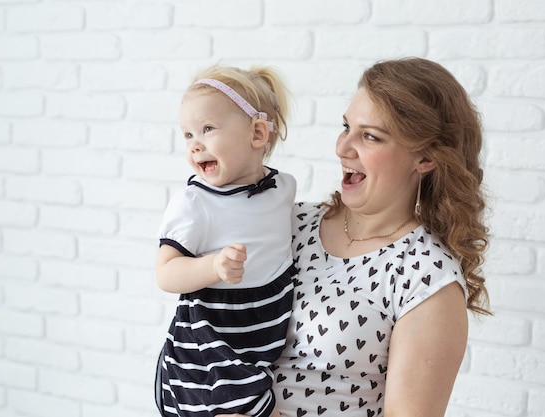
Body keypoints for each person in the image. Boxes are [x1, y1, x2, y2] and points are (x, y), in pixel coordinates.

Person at [217, 57, 490, 417]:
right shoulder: (287, 222)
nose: (343, 148)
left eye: (370, 136)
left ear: (424, 158)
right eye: (346, 127)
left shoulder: (427, 279)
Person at [155, 64, 297, 417]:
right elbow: (166, 273)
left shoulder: (282, 189)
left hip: (259, 337)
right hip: (211, 340)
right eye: (187, 135)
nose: (195, 144)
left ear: (258, 133)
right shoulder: (195, 203)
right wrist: (213, 265)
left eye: (207, 129)